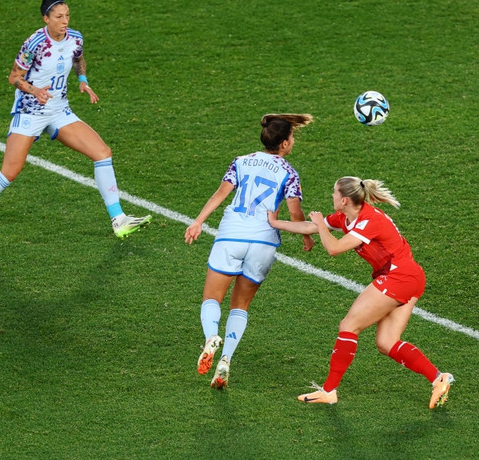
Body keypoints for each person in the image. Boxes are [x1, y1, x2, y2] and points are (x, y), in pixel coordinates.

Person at [268, 177, 453, 409]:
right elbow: (309, 226)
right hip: (410, 277)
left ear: (344, 200)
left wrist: (322, 226)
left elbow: (334, 249)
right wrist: (275, 223)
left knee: (348, 325)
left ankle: (328, 391)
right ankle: (439, 378)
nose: (332, 197)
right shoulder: (347, 217)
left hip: (399, 277)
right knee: (386, 343)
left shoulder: (369, 220)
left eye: (334, 193)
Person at [0, 0, 151, 236]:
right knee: (10, 171)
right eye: (59, 16)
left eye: (67, 15)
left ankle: (119, 220)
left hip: (59, 110)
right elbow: (14, 77)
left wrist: (82, 79)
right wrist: (35, 90)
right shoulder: (34, 44)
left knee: (102, 153)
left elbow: (78, 59)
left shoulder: (75, 38)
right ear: (46, 19)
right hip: (31, 110)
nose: (65, 21)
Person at [185, 113, 315, 390]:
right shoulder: (289, 173)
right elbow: (294, 212)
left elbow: (219, 194)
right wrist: (305, 234)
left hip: (232, 236)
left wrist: (198, 222)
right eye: (291, 138)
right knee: (240, 305)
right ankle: (226, 359)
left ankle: (211, 337)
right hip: (264, 243)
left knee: (211, 298)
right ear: (283, 144)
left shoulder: (241, 162)